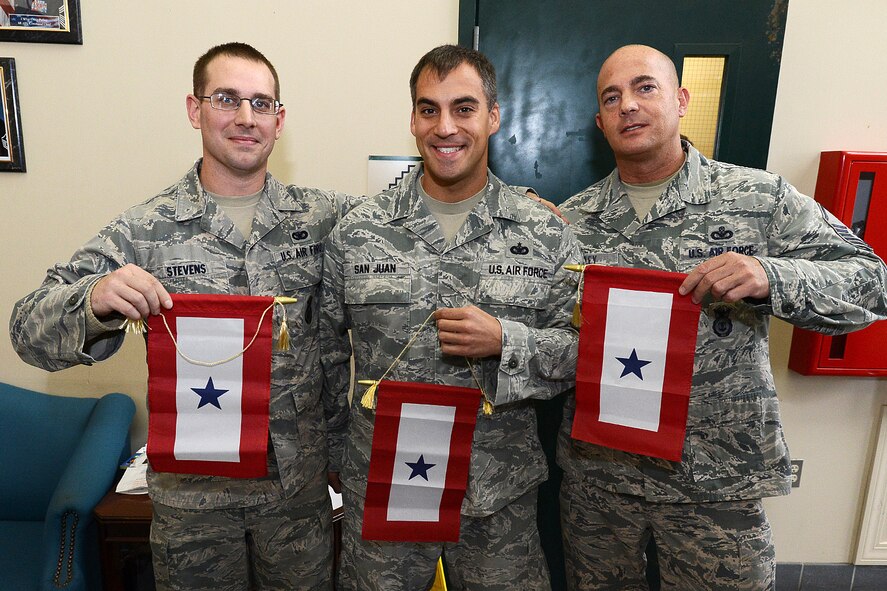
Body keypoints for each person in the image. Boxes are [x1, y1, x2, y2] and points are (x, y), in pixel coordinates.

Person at [9, 42, 351, 590]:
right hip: (195, 507)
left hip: (297, 497)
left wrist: (527, 213)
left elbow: (409, 221)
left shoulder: (325, 218)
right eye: (227, 99)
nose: (245, 117)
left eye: (261, 103)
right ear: (195, 110)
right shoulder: (145, 231)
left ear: (279, 120)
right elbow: (27, 330)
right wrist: (96, 298)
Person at [556, 44, 887, 590]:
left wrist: (771, 276)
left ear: (682, 99)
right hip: (601, 483)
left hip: (715, 480)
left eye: (645, 88)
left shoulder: (755, 198)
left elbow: (872, 281)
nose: (628, 107)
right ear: (599, 122)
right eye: (611, 98)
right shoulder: (572, 221)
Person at [320, 44, 583, 590]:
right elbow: (324, 354)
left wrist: (506, 341)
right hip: (386, 484)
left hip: (496, 494)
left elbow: (581, 355)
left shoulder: (544, 232)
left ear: (493, 116)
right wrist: (339, 455)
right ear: (412, 119)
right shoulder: (357, 232)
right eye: (428, 109)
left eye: (463, 108)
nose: (445, 127)